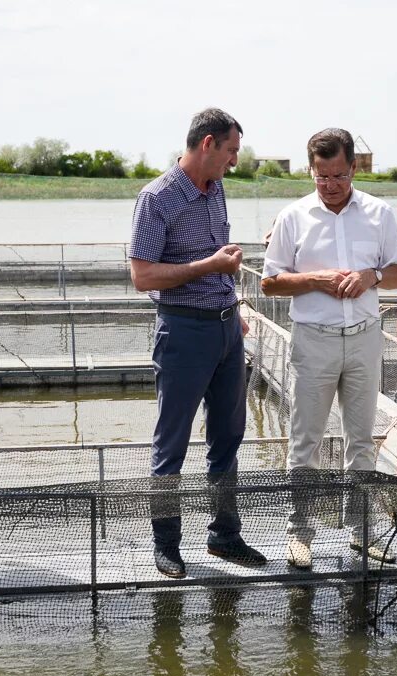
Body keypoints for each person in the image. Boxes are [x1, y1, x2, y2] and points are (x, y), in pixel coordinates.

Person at [262, 128, 397, 570]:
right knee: (304, 440)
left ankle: (360, 531)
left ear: (353, 168)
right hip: (313, 341)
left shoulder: (380, 214)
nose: (329, 185)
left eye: (338, 176)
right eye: (321, 176)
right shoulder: (293, 217)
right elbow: (270, 281)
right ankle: (299, 533)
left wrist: (372, 277)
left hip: (364, 338)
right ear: (311, 169)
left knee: (361, 440)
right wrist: (316, 280)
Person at [129, 108, 265, 579]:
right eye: (230, 151)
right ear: (207, 144)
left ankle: (224, 535)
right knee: (172, 442)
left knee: (228, 436)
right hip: (183, 330)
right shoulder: (157, 198)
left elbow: (218, 262)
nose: (233, 161)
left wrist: (235, 303)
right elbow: (142, 275)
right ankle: (165, 544)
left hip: (227, 329)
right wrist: (209, 267)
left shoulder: (216, 188)